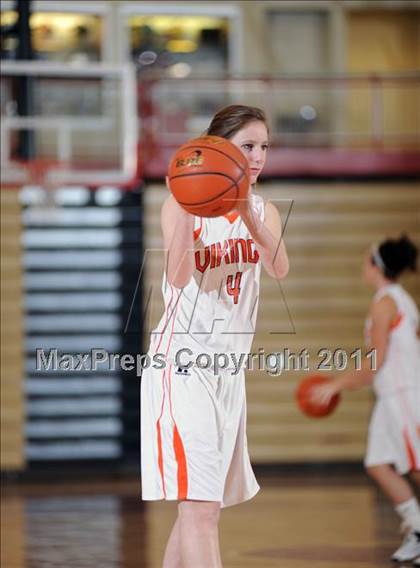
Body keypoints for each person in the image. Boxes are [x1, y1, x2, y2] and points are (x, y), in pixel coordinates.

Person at [140, 105, 289, 567]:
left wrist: (247, 214)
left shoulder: (263, 209)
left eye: (264, 146)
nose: (259, 156)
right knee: (201, 509)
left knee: (200, 512)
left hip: (228, 372)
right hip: (183, 365)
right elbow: (180, 276)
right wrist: (186, 209)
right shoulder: (178, 206)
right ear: (219, 150)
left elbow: (278, 267)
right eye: (249, 146)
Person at [314, 235, 420, 566]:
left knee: (416, 467)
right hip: (390, 395)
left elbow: (375, 361)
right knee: (377, 464)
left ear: (376, 267)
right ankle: (417, 529)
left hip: (404, 394)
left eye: (365, 262)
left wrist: (336, 385)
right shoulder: (397, 299)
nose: (362, 268)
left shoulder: (385, 303)